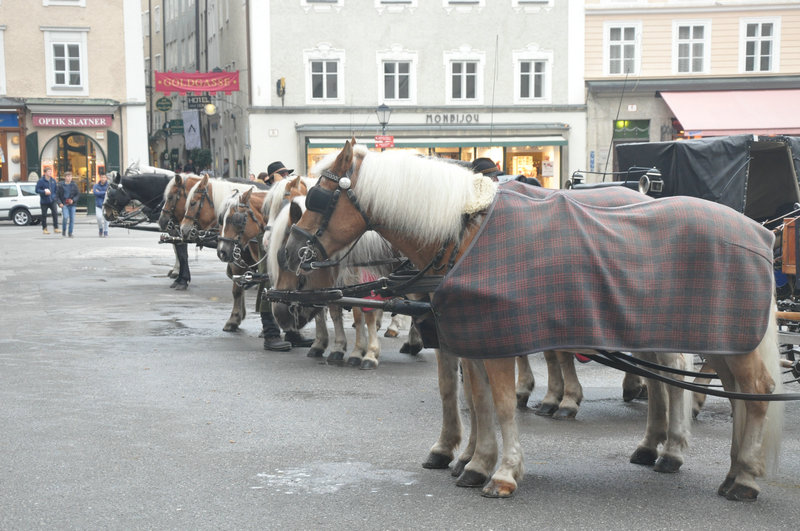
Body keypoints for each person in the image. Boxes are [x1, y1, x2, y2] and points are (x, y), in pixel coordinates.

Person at [35, 168, 60, 235]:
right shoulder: (41, 181)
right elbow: (37, 190)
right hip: (44, 201)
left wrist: (54, 196)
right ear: (45, 173)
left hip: (52, 200)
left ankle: (56, 228)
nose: (50, 173)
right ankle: (44, 228)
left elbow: (55, 190)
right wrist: (44, 192)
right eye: (49, 171)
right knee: (44, 215)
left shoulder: (53, 180)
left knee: (55, 214)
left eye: (50, 171)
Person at [57, 171, 80, 238]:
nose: (69, 178)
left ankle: (70, 232)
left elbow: (78, 194)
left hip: (72, 204)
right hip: (64, 204)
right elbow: (57, 195)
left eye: (70, 176)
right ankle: (64, 230)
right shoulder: (60, 185)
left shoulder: (74, 185)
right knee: (65, 217)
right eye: (67, 176)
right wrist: (59, 203)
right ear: (65, 177)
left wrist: (73, 200)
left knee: (72, 219)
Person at [92, 172, 110, 237]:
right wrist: (104, 192)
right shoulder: (96, 185)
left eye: (104, 177)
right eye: (102, 177)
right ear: (100, 177)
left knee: (106, 219)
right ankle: (100, 229)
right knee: (99, 218)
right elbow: (95, 193)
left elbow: (109, 193)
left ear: (106, 178)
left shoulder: (109, 186)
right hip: (99, 205)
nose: (103, 178)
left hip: (107, 204)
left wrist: (100, 192)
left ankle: (106, 231)